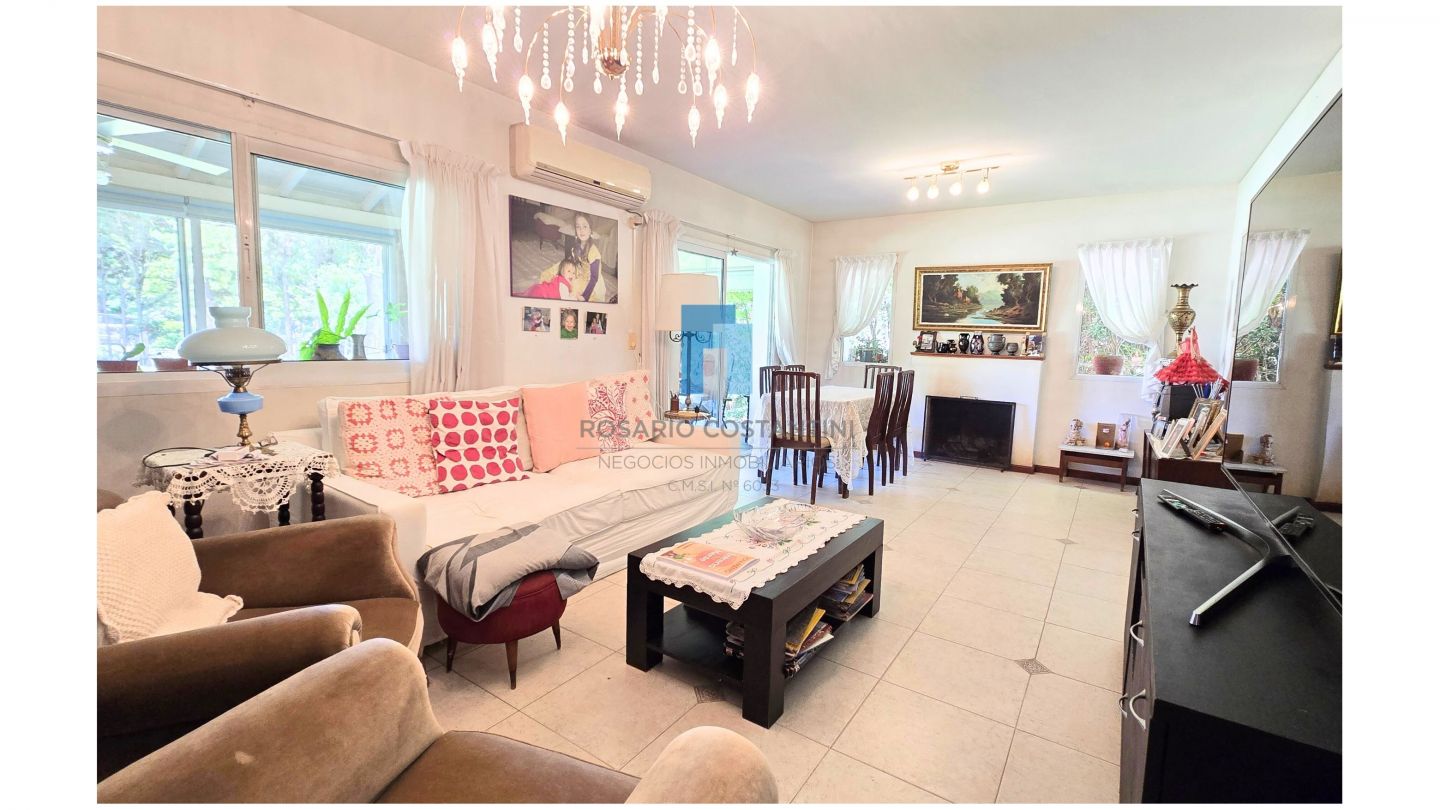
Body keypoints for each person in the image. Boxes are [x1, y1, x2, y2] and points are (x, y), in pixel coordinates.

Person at [567, 212, 609, 303]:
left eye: (585, 226)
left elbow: (594, 277)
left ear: (590, 230)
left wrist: (585, 296)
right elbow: (575, 262)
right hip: (581, 274)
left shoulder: (594, 252)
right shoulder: (576, 246)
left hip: (592, 282)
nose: (581, 230)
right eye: (578, 227)